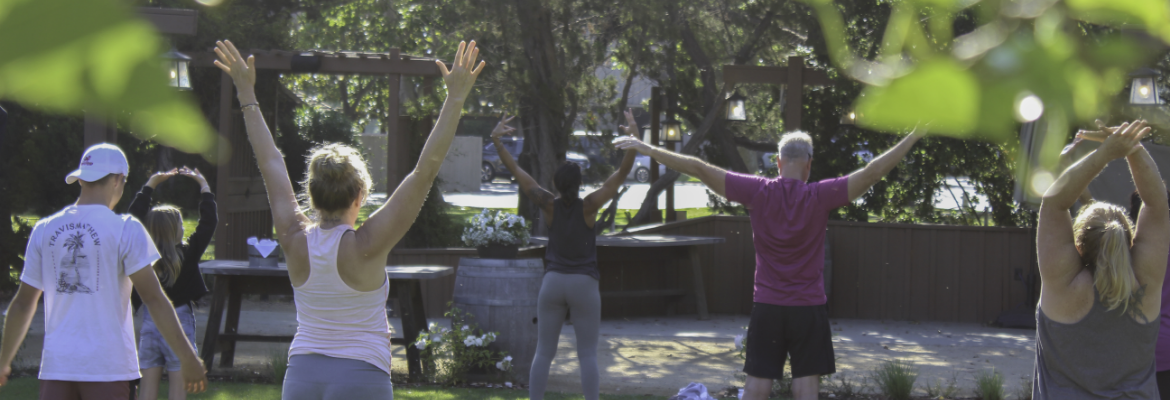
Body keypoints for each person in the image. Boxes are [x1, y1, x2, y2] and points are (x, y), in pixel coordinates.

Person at [213, 39, 483, 399]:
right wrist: (455, 98)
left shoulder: (293, 236)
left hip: (302, 378)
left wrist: (246, 92)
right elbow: (425, 171)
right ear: (360, 195)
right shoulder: (368, 244)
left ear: (311, 194)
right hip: (361, 377)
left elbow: (270, 161)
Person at [615, 127, 926, 400]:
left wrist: (647, 148)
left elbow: (699, 168)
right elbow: (872, 172)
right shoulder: (820, 195)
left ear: (778, 162)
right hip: (808, 307)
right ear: (808, 164)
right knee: (806, 387)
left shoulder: (758, 192)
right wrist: (912, 136)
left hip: (768, 306)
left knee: (756, 387)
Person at [0, 143, 208, 397]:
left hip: (56, 369)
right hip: (109, 370)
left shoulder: (44, 229)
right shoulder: (126, 229)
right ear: (118, 179)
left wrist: (3, 362)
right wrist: (187, 356)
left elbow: (23, 304)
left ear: (81, 180)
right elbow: (154, 299)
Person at [490, 110, 639, 400]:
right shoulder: (590, 206)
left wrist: (497, 141)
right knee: (587, 354)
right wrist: (634, 141)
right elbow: (621, 174)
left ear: (556, 183)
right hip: (584, 284)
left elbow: (518, 172)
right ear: (579, 184)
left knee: (544, 352)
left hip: (553, 283)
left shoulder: (548, 204)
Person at [1032, 120, 1169, 399]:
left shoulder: (1062, 283)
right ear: (1130, 243)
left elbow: (1054, 203)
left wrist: (1105, 153)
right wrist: (1132, 147)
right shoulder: (1144, 283)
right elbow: (1156, 205)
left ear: (1078, 244)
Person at [127, 167, 216, 400]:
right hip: (180, 324)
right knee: (178, 391)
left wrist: (150, 185)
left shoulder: (143, 256)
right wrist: (204, 186)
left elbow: (132, 219)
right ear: (176, 230)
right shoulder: (188, 253)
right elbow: (208, 223)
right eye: (181, 225)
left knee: (147, 391)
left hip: (150, 320)